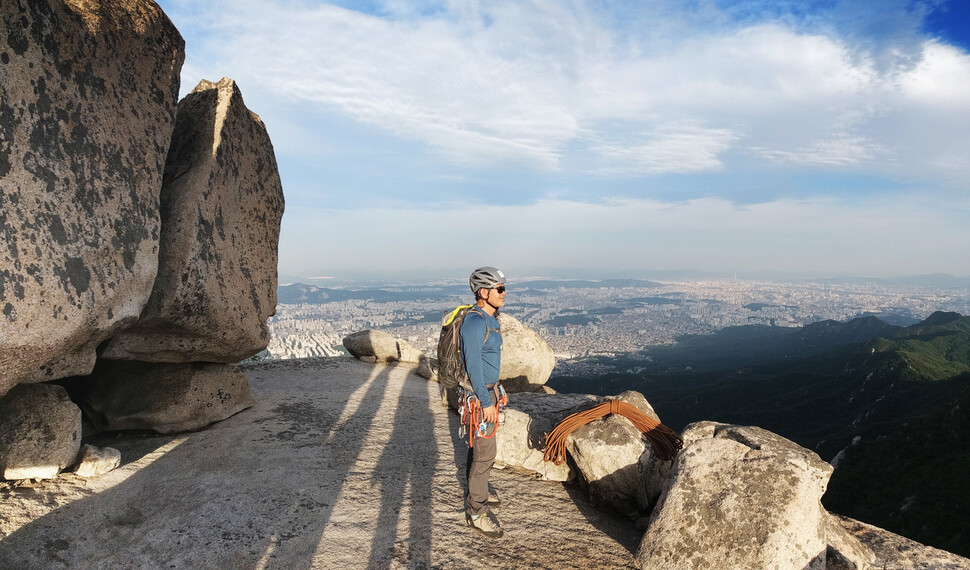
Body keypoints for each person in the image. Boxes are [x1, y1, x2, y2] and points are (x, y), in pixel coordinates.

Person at [460, 266, 507, 539]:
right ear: (483, 292)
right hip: (479, 399)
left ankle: (476, 489)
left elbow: (489, 364)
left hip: (487, 393)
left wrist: (497, 389)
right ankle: (476, 512)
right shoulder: (476, 322)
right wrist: (487, 400)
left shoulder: (490, 319)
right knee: (486, 453)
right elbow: (474, 367)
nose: (503, 293)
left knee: (478, 448)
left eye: (503, 288)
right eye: (498, 289)